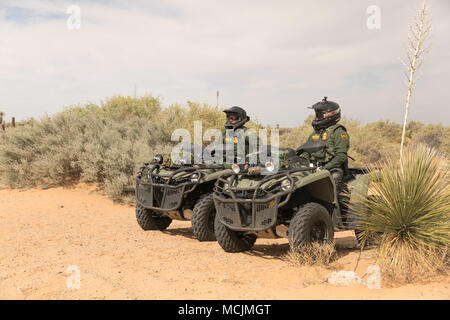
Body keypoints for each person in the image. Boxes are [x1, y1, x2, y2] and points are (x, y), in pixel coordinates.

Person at [299, 97, 350, 192]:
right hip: (314, 167)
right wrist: (302, 162)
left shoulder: (338, 131)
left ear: (331, 115)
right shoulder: (316, 133)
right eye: (316, 115)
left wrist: (325, 167)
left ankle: (335, 204)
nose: (317, 118)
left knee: (335, 176)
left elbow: (341, 156)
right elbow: (306, 151)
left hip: (333, 168)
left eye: (320, 115)